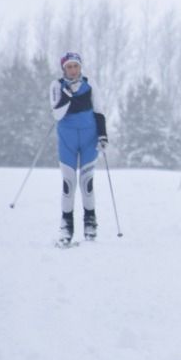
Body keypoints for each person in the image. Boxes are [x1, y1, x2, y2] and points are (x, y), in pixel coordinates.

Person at [50, 52, 107, 246]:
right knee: (68, 183)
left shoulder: (90, 84)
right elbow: (57, 114)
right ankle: (66, 226)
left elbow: (98, 110)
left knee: (86, 182)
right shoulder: (57, 86)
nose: (73, 70)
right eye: (69, 67)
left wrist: (103, 135)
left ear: (80, 67)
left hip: (89, 137)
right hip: (67, 138)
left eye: (76, 66)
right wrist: (68, 93)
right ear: (64, 69)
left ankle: (90, 223)